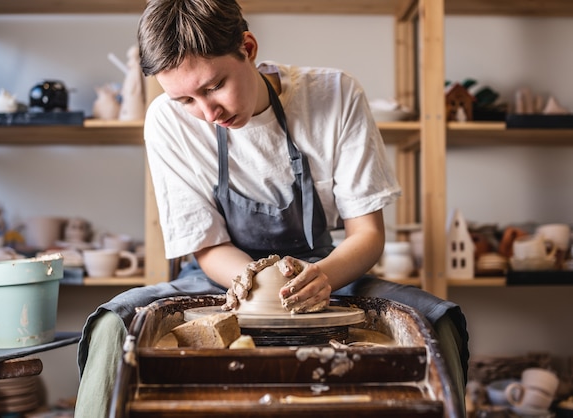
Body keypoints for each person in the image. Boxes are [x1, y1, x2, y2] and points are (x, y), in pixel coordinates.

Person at [74, 0, 469, 416]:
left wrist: (323, 277)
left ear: (248, 47)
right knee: (112, 325)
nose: (208, 113)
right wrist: (256, 287)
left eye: (213, 86)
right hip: (223, 281)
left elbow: (368, 235)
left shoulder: (335, 95)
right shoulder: (166, 121)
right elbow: (208, 247)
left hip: (328, 272)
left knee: (436, 321)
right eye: (186, 100)